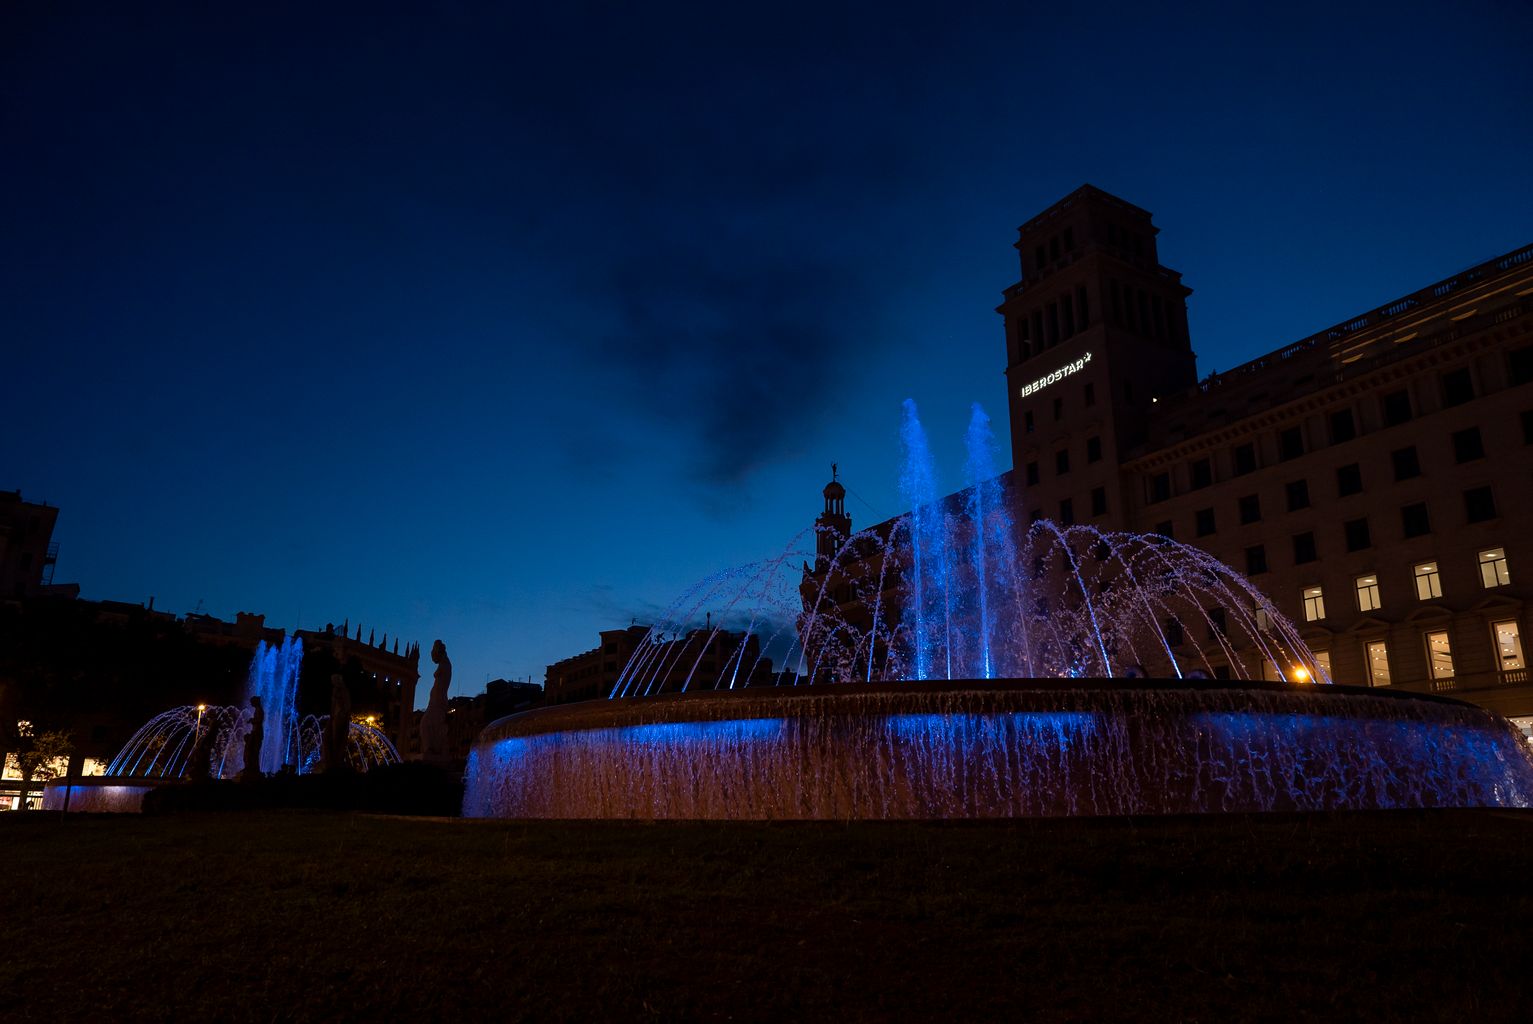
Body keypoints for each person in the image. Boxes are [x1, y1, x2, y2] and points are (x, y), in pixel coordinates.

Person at [242, 696, 265, 781]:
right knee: (251, 751)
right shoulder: (257, 710)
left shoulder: (259, 710)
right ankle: (250, 767)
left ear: (255, 702)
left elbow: (259, 721)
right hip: (255, 732)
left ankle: (253, 768)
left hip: (257, 733)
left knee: (254, 751)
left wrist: (252, 720)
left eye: (252, 702)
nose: (251, 704)